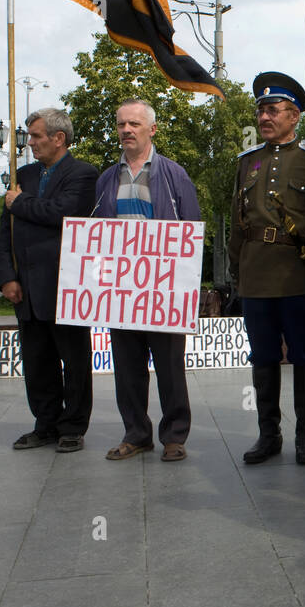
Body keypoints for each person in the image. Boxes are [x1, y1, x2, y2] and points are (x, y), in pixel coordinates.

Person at [229, 72, 305, 465]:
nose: (264, 118)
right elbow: (238, 220)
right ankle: (267, 434)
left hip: (297, 273)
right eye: (261, 111)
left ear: (295, 116)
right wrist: (237, 272)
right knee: (263, 356)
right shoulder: (247, 161)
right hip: (256, 274)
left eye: (273, 111)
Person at [94, 99, 199, 462]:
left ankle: (174, 436)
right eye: (122, 124)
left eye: (135, 124)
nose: (126, 130)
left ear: (151, 129)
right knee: (127, 366)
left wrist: (186, 287)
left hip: (164, 289)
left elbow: (192, 230)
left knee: (170, 365)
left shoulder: (176, 174)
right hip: (122, 289)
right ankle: (136, 433)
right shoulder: (107, 178)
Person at [0, 108, 98, 454]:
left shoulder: (83, 174)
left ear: (59, 138)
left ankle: (72, 426)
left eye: (37, 136)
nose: (31, 143)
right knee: (37, 362)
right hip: (24, 286)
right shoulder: (21, 174)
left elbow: (64, 214)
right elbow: (4, 231)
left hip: (66, 284)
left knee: (74, 361)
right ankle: (45, 424)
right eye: (30, 136)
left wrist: (21, 202)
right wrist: (6, 276)